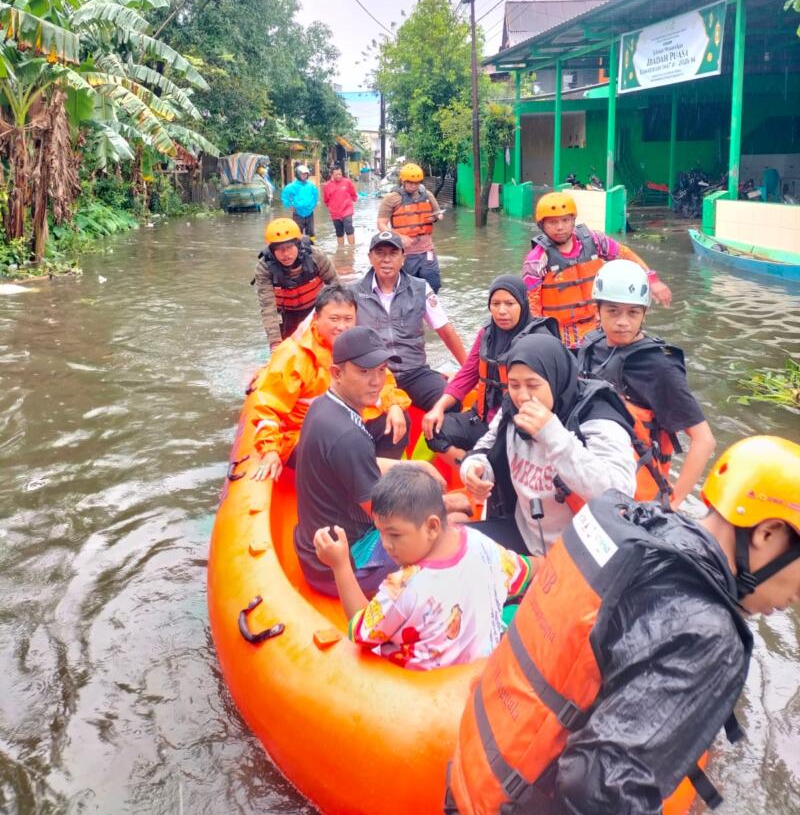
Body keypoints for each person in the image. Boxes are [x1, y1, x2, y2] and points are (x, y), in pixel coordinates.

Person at [447, 435, 800, 814]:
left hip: (467, 774)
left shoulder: (633, 523)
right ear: (767, 533)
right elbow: (599, 791)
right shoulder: (709, 634)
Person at [312, 464, 533, 669]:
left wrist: (340, 565)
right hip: (474, 674)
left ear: (432, 526)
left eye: (394, 534)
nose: (385, 544)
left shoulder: (402, 587)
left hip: (422, 690)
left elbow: (358, 631)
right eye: (380, 532)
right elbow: (527, 570)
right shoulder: (482, 544)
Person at [293, 326, 449, 596]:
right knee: (448, 530)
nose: (376, 381)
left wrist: (417, 466)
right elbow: (385, 518)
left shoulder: (323, 407)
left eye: (380, 370)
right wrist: (443, 505)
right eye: (364, 372)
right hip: (342, 564)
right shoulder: (348, 435)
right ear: (337, 373)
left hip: (314, 547)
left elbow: (359, 462)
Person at [460, 333, 636, 555]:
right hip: (526, 534)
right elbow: (486, 445)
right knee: (451, 550)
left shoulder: (597, 420)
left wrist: (552, 433)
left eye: (533, 385)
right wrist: (475, 469)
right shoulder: (512, 409)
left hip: (582, 550)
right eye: (514, 385)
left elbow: (619, 492)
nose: (522, 396)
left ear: (555, 379)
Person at [577, 259, 715, 508]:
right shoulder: (590, 345)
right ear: (597, 310)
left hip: (635, 497)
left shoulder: (659, 367)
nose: (622, 322)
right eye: (613, 311)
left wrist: (673, 503)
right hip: (590, 479)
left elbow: (704, 440)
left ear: (644, 313)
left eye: (633, 312)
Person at [250, 286, 411, 479]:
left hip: (346, 426)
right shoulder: (292, 355)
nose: (342, 326)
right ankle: (360, 483)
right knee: (345, 444)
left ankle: (378, 483)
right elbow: (268, 407)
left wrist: (394, 405)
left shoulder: (359, 344)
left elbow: (383, 382)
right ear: (316, 319)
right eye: (334, 319)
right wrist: (270, 450)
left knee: (398, 420)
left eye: (348, 319)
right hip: (303, 436)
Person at [422, 275, 560, 457]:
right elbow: (467, 375)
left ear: (523, 304)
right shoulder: (486, 334)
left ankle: (484, 469)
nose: (502, 311)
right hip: (482, 420)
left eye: (509, 304)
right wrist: (438, 408)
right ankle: (470, 471)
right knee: (435, 430)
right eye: (495, 304)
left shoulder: (539, 340)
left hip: (518, 427)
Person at [522, 191, 672, 348]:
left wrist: (652, 280)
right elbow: (532, 304)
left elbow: (624, 255)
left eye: (565, 220)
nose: (560, 227)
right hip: (561, 334)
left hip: (598, 326)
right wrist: (540, 336)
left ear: (573, 220)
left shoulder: (595, 241)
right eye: (552, 222)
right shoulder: (536, 260)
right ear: (542, 226)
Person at [350, 231, 467, 410]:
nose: (386, 259)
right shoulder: (353, 294)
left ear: (403, 258)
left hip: (415, 372)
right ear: (370, 258)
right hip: (373, 375)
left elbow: (445, 330)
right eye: (380, 253)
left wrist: (468, 373)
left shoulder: (421, 288)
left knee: (450, 403)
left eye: (393, 253)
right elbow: (334, 332)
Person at [253, 218, 338, 347]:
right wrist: (275, 343)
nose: (286, 254)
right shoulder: (264, 268)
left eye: (289, 247)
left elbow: (337, 288)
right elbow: (268, 308)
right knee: (288, 349)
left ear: (298, 245)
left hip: (315, 311)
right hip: (288, 314)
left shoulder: (316, 256)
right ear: (271, 250)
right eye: (280, 249)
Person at [377, 162, 444, 293]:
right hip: (406, 253)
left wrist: (435, 217)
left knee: (433, 285)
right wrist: (399, 237)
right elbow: (381, 224)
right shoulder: (391, 199)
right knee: (407, 289)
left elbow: (438, 214)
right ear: (403, 180)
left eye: (417, 183)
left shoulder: (427, 195)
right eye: (410, 183)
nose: (414, 186)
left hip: (426, 250)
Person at [322, 165, 358, 246]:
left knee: (349, 229)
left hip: (347, 210)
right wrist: (331, 207)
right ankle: (341, 250)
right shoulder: (327, 185)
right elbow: (326, 200)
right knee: (339, 232)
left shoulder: (347, 182)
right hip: (335, 213)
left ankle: (352, 250)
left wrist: (352, 202)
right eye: (336, 174)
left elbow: (353, 194)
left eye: (340, 174)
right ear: (332, 175)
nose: (338, 176)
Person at [281, 163, 319, 239]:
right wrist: (289, 205)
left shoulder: (311, 185)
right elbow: (285, 197)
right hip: (298, 212)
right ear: (298, 174)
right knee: (297, 231)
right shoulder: (291, 186)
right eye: (302, 174)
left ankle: (312, 246)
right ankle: (298, 247)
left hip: (309, 212)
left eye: (306, 174)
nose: (305, 176)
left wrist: (312, 206)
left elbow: (315, 196)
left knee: (311, 232)